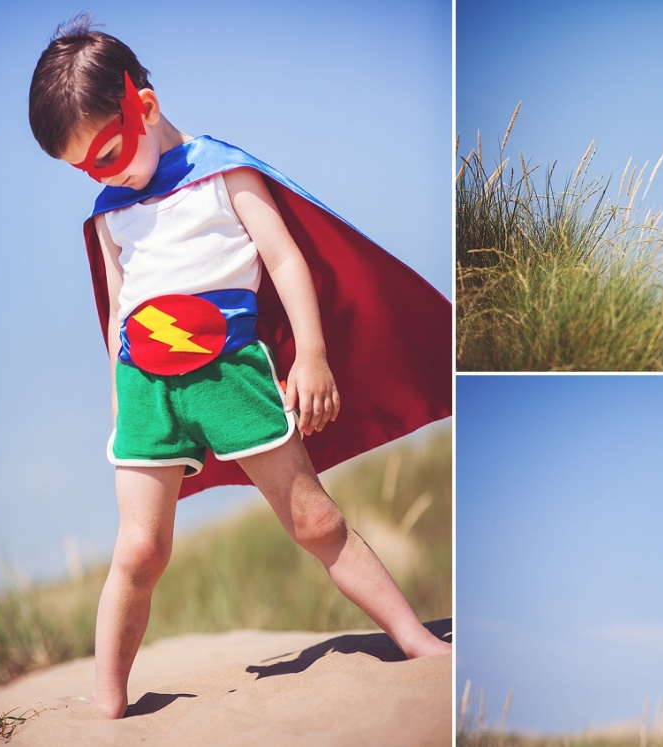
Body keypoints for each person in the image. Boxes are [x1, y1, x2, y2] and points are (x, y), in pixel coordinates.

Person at [28, 17, 451, 719]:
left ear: (145, 106)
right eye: (81, 169)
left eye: (105, 154)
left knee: (313, 518)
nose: (99, 176)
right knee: (139, 549)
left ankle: (412, 636)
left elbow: (286, 259)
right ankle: (106, 699)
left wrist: (310, 355)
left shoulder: (223, 172)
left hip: (234, 372)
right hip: (145, 389)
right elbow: (118, 309)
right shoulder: (110, 212)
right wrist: (115, 392)